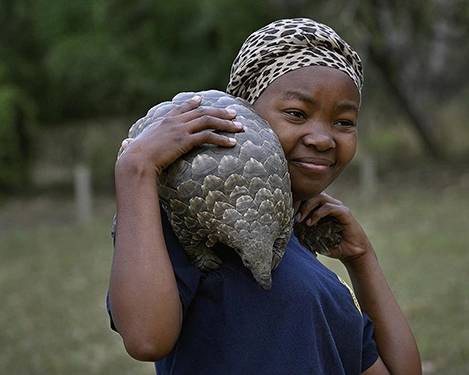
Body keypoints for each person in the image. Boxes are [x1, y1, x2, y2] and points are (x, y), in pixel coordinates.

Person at [108, 18, 421, 374]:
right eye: (296, 114)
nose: (323, 138)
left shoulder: (312, 270)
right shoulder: (195, 220)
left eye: (344, 122)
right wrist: (137, 170)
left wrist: (362, 259)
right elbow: (147, 339)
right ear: (242, 115)